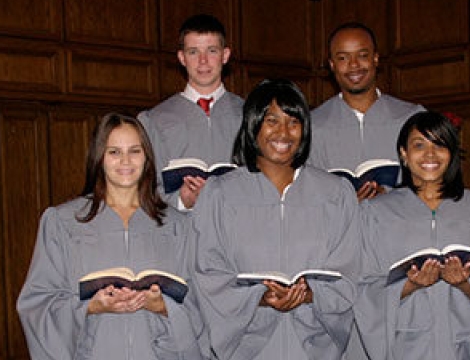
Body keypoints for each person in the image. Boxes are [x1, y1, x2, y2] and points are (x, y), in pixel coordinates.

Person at [193, 79, 361, 360]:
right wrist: (257, 297)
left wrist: (310, 294)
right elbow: (207, 272)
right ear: (253, 124)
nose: (284, 132)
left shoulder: (336, 192)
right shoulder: (219, 193)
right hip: (248, 344)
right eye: (272, 120)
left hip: (314, 343)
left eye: (293, 122)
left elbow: (351, 271)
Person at [17, 113, 206, 360]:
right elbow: (37, 305)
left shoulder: (179, 225)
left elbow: (203, 305)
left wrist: (162, 306)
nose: (125, 161)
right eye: (114, 152)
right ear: (99, 158)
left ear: (147, 157)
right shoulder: (62, 222)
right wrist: (91, 307)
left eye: (135, 151)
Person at [355, 111, 470, 359]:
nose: (430, 154)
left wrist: (465, 284)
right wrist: (410, 284)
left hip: (465, 345)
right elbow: (359, 284)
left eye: (440, 145)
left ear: (452, 152)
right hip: (405, 346)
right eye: (419, 145)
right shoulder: (374, 213)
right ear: (403, 152)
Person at [310, 22, 425, 201]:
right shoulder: (313, 124)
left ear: (376, 59)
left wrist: (386, 195)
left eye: (362, 55)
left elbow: (433, 185)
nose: (354, 65)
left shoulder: (411, 117)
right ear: (332, 65)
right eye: (343, 58)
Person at [139, 14, 243, 211]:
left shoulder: (249, 115)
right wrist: (182, 199)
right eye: (193, 52)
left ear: (225, 55)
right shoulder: (154, 120)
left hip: (238, 231)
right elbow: (144, 190)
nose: (203, 61)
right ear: (182, 58)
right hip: (181, 232)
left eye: (212, 51)